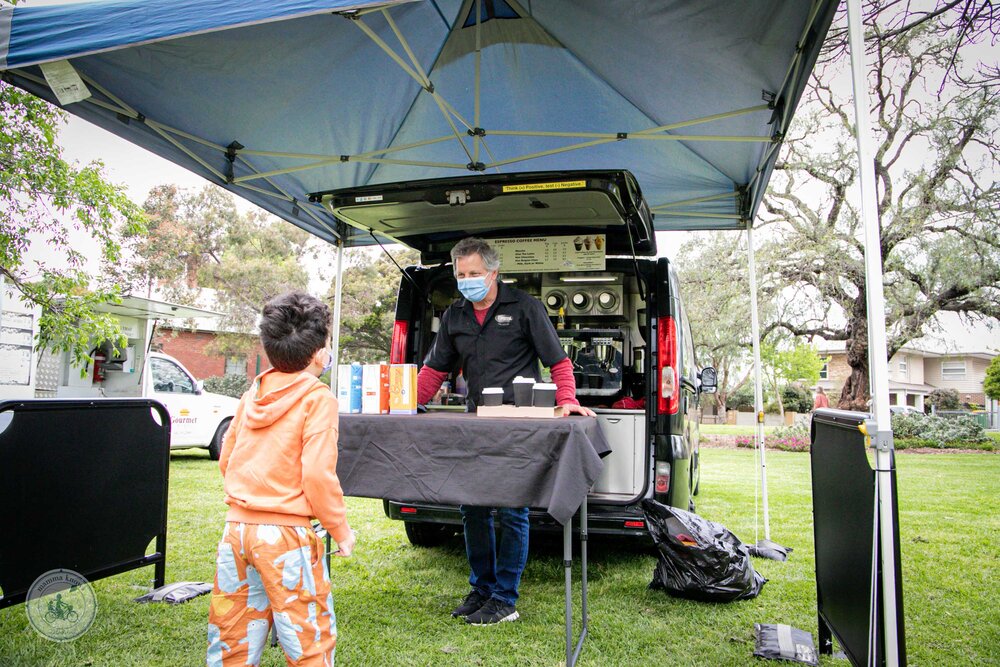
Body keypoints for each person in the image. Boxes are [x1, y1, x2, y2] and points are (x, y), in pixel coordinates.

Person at [416, 237, 595, 626]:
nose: (467, 281)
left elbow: (558, 362)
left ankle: (504, 598)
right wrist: (402, 401)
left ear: (494, 273)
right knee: (473, 508)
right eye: (461, 274)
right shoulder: (455, 316)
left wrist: (567, 399)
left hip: (519, 426)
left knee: (513, 510)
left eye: (474, 273)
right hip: (476, 426)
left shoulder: (525, 307)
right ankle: (481, 588)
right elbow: (434, 370)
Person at [208, 291, 355, 666]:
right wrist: (340, 530)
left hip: (236, 531)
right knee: (308, 636)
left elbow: (227, 459)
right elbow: (318, 476)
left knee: (233, 635)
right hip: (286, 537)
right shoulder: (318, 399)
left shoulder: (251, 394)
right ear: (320, 351)